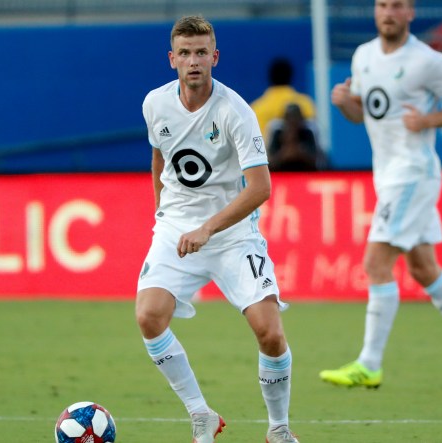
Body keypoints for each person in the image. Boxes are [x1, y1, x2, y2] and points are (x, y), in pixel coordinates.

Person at [319, 0, 442, 393]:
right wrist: (345, 103)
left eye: (397, 6)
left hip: (412, 173)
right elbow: (365, 114)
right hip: (386, 174)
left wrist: (428, 120)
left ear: (410, 13)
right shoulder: (363, 56)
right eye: (382, 5)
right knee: (423, 268)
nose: (388, 12)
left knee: (375, 263)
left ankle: (369, 364)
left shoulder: (428, 61)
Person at [136, 15, 299, 443]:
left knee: (270, 332)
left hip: (231, 233)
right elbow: (160, 156)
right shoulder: (155, 103)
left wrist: (208, 228)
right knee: (149, 317)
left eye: (201, 52)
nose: (194, 61)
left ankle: (278, 429)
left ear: (215, 57)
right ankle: (200, 414)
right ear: (172, 59)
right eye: (185, 53)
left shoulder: (234, 110)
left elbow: (261, 186)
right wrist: (162, 215)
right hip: (176, 228)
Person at [251, 57, 317, 145]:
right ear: (291, 76)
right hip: (304, 157)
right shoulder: (306, 104)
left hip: (267, 157)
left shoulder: (256, 109)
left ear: (270, 77)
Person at [268, 103, 322, 172]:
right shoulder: (278, 133)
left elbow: (317, 162)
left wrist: (300, 152)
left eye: (296, 118)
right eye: (289, 118)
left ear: (301, 119)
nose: (293, 121)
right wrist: (283, 153)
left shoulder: (307, 133)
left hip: (305, 175)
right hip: (280, 176)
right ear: (285, 120)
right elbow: (270, 162)